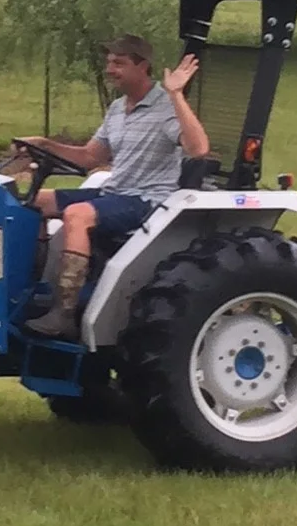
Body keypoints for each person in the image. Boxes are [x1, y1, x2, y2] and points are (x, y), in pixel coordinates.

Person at [17, 35, 209, 339]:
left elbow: (198, 148)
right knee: (29, 201)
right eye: (109, 62)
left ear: (142, 66)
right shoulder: (118, 108)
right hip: (114, 193)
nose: (110, 69)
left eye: (118, 63)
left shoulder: (166, 107)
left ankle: (64, 312)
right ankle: (33, 288)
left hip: (146, 200)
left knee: (78, 215)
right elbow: (91, 157)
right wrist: (44, 145)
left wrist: (176, 95)